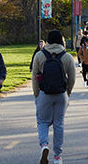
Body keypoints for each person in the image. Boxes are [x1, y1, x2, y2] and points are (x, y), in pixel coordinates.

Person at [32, 30, 76, 164]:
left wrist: (37, 94)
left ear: (48, 41)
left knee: (42, 121)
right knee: (59, 124)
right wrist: (67, 92)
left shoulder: (40, 55)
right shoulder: (67, 56)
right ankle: (58, 156)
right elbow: (72, 78)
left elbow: (34, 77)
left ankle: (44, 145)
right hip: (61, 94)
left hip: (45, 93)